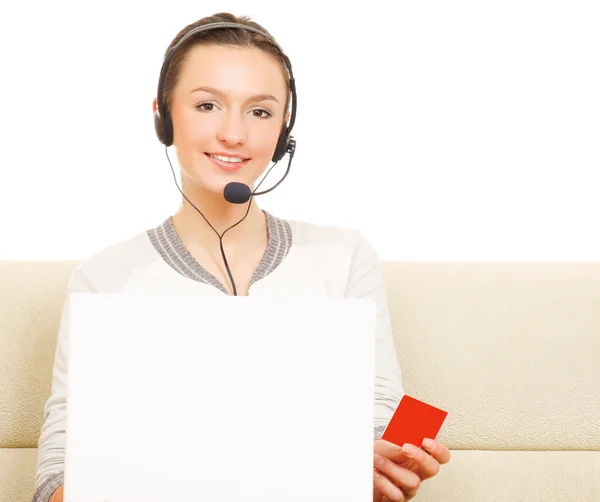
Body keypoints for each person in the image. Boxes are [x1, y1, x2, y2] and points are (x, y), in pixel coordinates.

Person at [32, 12, 451, 502]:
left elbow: (382, 418)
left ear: (284, 130)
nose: (234, 134)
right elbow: (55, 478)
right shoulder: (105, 277)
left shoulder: (343, 256)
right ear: (163, 117)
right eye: (208, 105)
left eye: (260, 111)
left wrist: (391, 466)